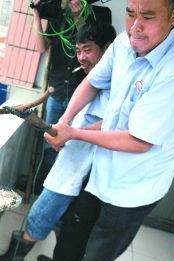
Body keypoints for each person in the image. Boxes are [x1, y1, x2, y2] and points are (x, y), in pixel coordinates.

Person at [44, 0, 174, 261]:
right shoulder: (124, 43)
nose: (135, 26)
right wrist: (63, 123)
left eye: (147, 16)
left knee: (96, 259)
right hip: (102, 166)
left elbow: (139, 141)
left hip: (134, 185)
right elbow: (92, 82)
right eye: (131, 13)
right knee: (75, 230)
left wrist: (75, 133)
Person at [0, 22, 117, 261]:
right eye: (78, 51)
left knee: (40, 215)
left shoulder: (116, 85)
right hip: (71, 161)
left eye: (87, 50)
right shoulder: (93, 81)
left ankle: (14, 260)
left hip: (77, 171)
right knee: (61, 222)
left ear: (108, 48)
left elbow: (113, 124)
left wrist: (69, 134)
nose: (82, 57)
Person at [19, 0, 111, 193]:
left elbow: (90, 44)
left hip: (82, 98)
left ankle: (62, 192)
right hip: (57, 91)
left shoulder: (101, 15)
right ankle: (42, 188)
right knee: (50, 144)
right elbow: (41, 47)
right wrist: (36, 14)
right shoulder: (58, 17)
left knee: (73, 147)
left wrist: (79, 19)